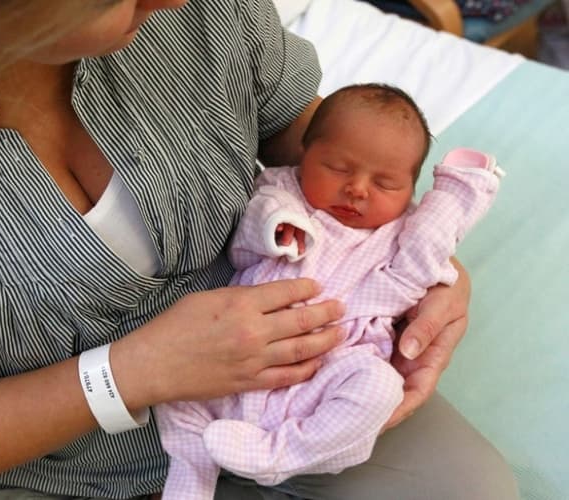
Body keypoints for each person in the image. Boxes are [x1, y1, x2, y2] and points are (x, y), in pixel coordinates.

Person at [0, 0, 518, 498]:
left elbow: (306, 131)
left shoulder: (196, 12)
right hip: (57, 472)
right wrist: (134, 373)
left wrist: (421, 257)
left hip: (288, 389)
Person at [155, 83, 504, 500]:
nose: (357, 188)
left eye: (386, 183)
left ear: (411, 191)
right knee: (176, 398)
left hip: (333, 366)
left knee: (380, 387)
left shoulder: (400, 233)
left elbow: (426, 253)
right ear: (305, 153)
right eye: (338, 167)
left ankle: (283, 453)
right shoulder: (284, 191)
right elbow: (248, 235)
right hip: (240, 347)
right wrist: (278, 229)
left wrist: (455, 194)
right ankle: (192, 475)